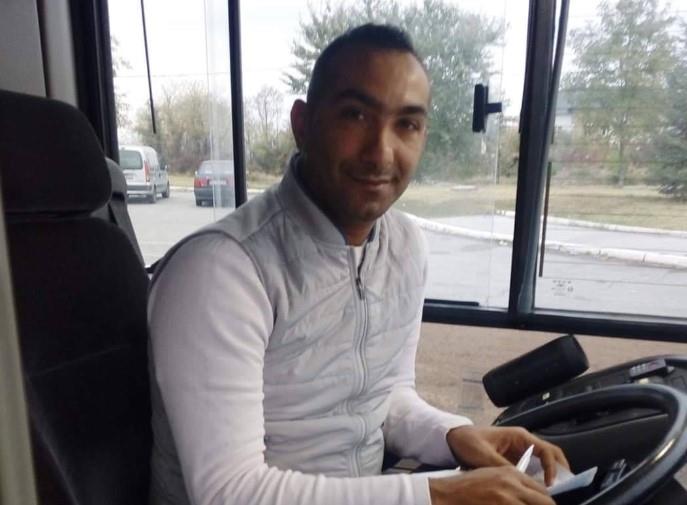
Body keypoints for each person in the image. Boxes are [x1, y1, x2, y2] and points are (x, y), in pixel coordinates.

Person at [148, 23, 568, 505]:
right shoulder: (220, 271)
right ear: (303, 124)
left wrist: (454, 435)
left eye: (407, 124)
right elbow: (231, 492)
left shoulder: (404, 247)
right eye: (355, 115)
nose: (381, 153)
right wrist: (439, 495)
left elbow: (384, 397)